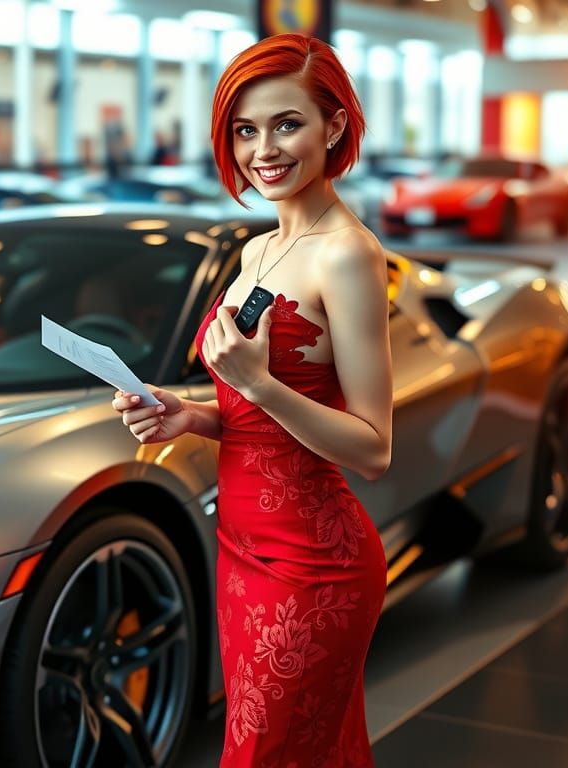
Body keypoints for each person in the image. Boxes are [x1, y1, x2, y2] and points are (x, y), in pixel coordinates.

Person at [112, 34, 392, 766]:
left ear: (333, 127)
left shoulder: (349, 254)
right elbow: (253, 420)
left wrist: (261, 383)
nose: (262, 149)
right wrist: (191, 416)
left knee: (261, 754)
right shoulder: (256, 251)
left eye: (286, 124)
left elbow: (374, 446)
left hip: (312, 563)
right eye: (245, 130)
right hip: (239, 549)